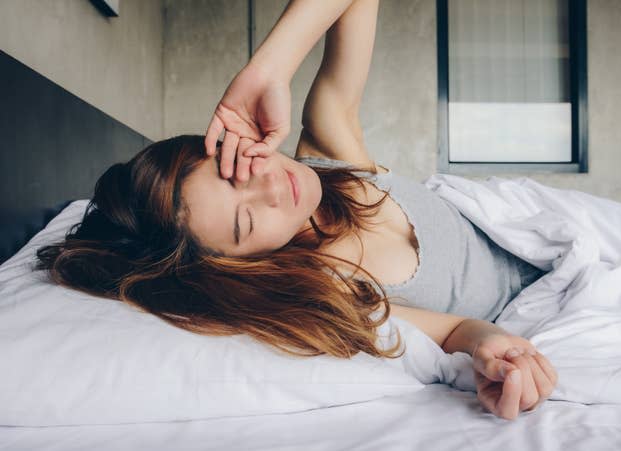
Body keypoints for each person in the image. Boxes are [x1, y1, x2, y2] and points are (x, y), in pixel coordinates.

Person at [36, 0, 557, 421]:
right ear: (239, 263)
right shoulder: (330, 284)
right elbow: (454, 331)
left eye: (232, 171)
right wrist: (493, 343)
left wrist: (269, 69)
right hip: (549, 296)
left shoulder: (331, 153)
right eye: (246, 222)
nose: (271, 189)